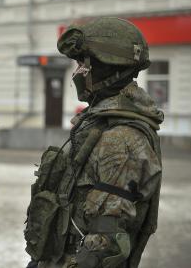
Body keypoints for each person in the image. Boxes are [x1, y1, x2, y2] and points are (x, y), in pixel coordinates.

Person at [25, 17, 163, 268]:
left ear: (108, 67)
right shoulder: (98, 123)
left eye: (83, 64)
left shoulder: (121, 139)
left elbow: (106, 241)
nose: (77, 72)